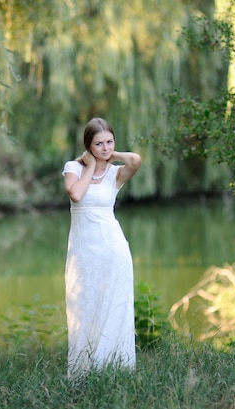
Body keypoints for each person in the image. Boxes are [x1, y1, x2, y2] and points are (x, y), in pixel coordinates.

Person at [62, 117, 142, 379]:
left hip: (114, 249)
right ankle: (84, 372)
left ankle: (114, 371)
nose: (106, 147)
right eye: (99, 143)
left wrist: (109, 156)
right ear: (88, 145)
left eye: (110, 142)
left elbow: (136, 161)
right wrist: (90, 164)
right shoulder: (73, 167)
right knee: (84, 305)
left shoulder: (115, 173)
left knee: (114, 305)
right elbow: (76, 194)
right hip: (83, 253)